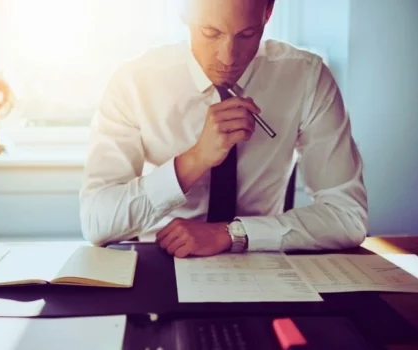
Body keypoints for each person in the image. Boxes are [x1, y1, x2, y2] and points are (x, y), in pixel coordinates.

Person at [79, 0, 368, 258]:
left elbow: (348, 217)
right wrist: (195, 159)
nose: (228, 58)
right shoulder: (134, 83)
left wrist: (231, 234)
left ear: (268, 12)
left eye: (247, 34)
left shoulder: (307, 78)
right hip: (161, 260)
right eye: (211, 33)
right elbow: (97, 222)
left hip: (261, 259)